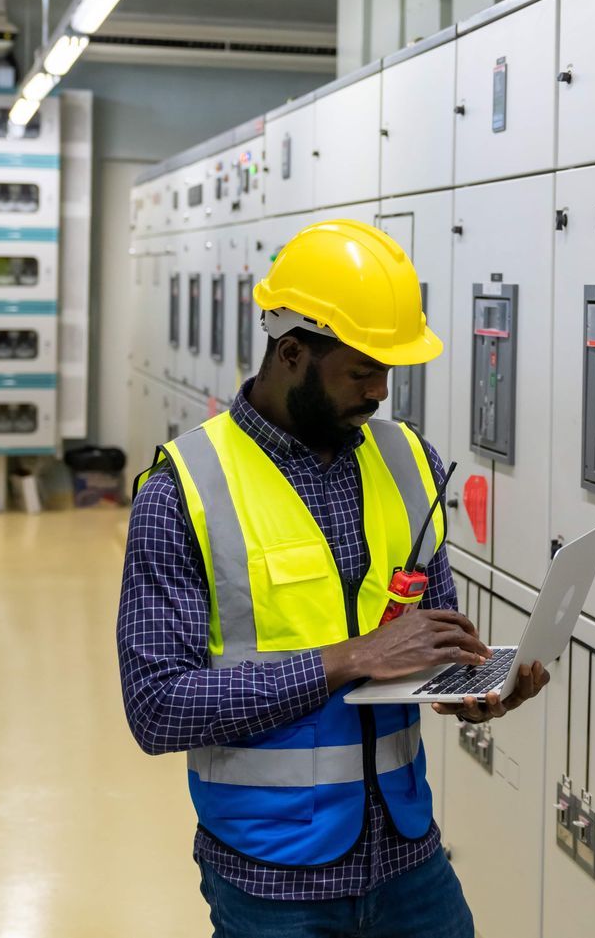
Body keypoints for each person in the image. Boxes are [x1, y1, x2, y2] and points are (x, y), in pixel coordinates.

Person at [117, 219, 547, 938]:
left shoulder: (406, 460)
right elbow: (158, 706)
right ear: (291, 353)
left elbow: (427, 640)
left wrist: (472, 689)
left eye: (389, 371)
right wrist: (345, 660)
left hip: (408, 859)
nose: (381, 391)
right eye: (361, 370)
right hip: (272, 879)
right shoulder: (184, 490)